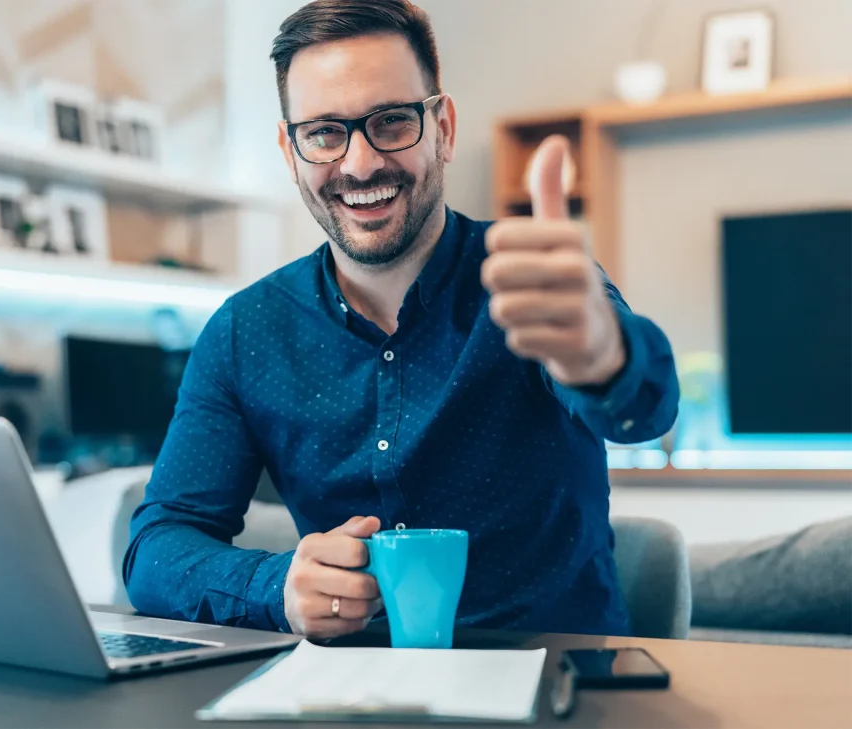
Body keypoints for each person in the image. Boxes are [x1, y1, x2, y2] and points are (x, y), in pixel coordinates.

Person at [124, 0, 679, 639]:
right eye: (325, 132)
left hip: (552, 682)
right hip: (348, 694)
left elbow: (647, 415)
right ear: (290, 148)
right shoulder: (244, 333)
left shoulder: (531, 278)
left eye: (390, 122)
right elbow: (158, 548)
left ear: (442, 127)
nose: (359, 164)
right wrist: (276, 588)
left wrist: (605, 359)